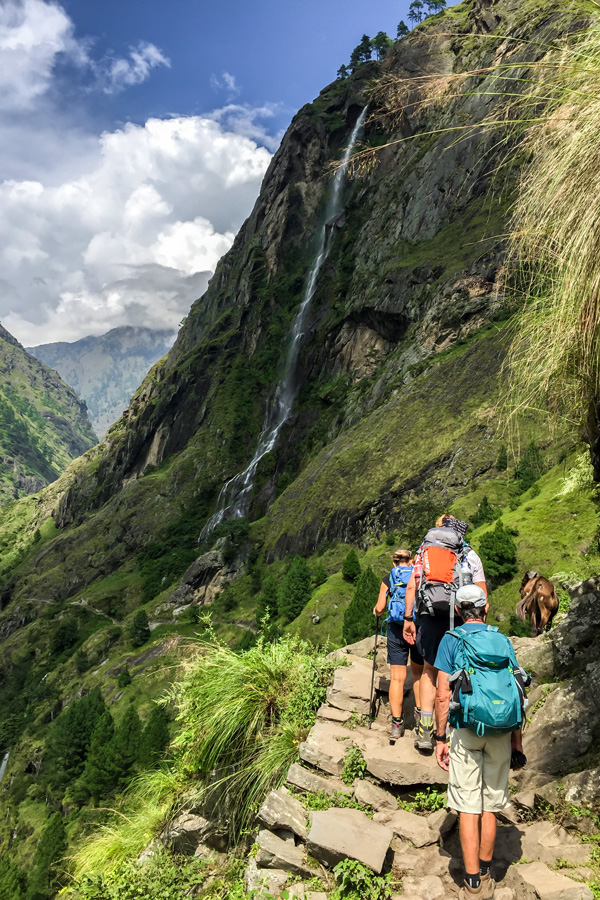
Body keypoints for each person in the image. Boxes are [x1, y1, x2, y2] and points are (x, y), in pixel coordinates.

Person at [434, 585, 526, 900]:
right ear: (485, 610)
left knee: (468, 806)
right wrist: (517, 743)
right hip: (501, 731)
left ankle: (472, 881)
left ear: (459, 611)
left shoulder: (451, 640)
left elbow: (443, 694)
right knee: (490, 805)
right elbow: (517, 692)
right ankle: (486, 871)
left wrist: (440, 737)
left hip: (466, 729)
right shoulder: (502, 640)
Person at [403, 514, 488, 752]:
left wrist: (409, 619)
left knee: (430, 669)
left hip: (429, 617)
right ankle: (451, 729)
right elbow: (483, 597)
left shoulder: (424, 551)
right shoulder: (469, 554)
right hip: (460, 618)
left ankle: (425, 731)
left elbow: (412, 585)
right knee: (458, 671)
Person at [373, 548, 423, 740]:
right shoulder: (418, 575)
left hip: (396, 629)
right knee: (418, 673)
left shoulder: (389, 578)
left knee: (397, 678)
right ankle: (421, 716)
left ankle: (397, 724)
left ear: (394, 563)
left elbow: (380, 608)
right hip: (416, 628)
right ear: (410, 561)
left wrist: (376, 613)